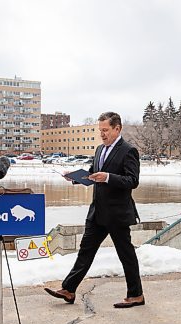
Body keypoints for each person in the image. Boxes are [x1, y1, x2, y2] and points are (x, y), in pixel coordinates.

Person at [45, 111, 144, 308]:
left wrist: (108, 177)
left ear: (118, 128)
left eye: (105, 130)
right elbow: (93, 174)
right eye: (100, 130)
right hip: (97, 212)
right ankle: (69, 289)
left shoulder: (128, 151)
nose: (102, 134)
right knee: (85, 252)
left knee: (126, 255)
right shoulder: (99, 149)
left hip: (117, 214)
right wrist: (76, 177)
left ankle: (136, 295)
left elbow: (132, 181)